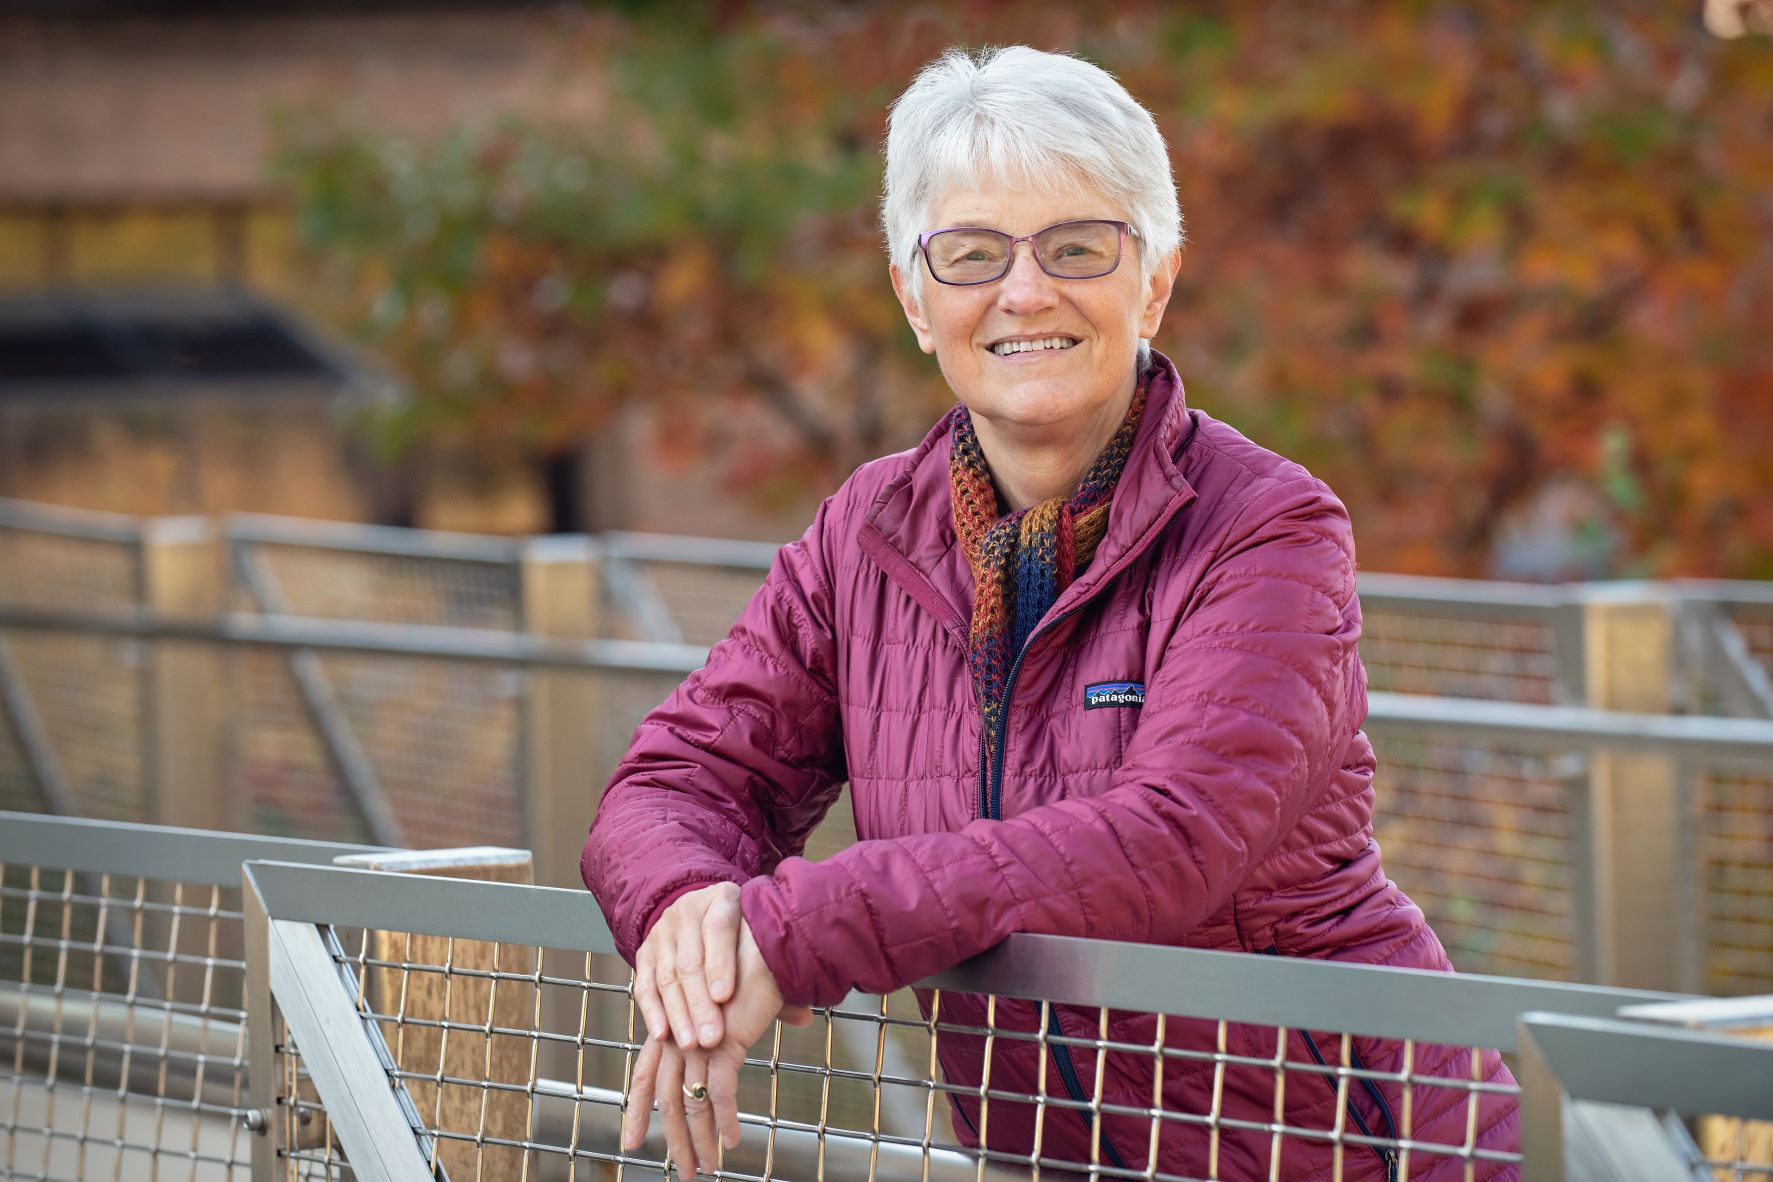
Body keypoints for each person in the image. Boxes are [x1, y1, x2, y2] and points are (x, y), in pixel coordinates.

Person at [583, 44, 1519, 1181]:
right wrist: (694, 924)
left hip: (1352, 1149)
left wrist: (794, 931)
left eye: (1078, 247)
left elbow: (1166, 841)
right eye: (973, 256)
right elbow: (678, 780)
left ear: (1156, 281)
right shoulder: (864, 533)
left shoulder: (1268, 527)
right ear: (916, 300)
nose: (1025, 292)